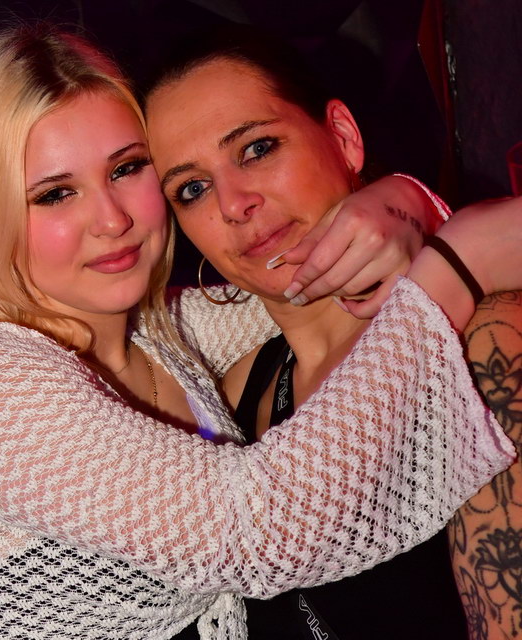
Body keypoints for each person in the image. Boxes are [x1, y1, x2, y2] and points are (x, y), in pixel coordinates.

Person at [0, 23, 521, 640]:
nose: (111, 220)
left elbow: (304, 292)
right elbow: (258, 532)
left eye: (126, 169)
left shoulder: (168, 336)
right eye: (54, 194)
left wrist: (413, 203)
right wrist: (459, 261)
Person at [142, 26, 522, 638]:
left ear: (343, 137)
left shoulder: (481, 341)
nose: (234, 204)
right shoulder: (235, 396)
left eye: (257, 148)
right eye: (192, 189)